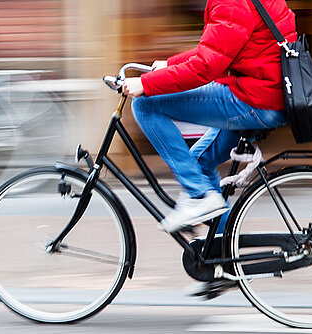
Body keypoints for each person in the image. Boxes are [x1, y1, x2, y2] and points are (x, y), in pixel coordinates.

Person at [123, 0, 297, 233]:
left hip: (253, 99)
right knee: (199, 164)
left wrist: (145, 84)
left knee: (145, 105)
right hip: (267, 95)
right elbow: (223, 48)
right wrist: (170, 64)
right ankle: (223, 249)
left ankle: (199, 196)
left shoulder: (230, 2)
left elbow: (206, 67)